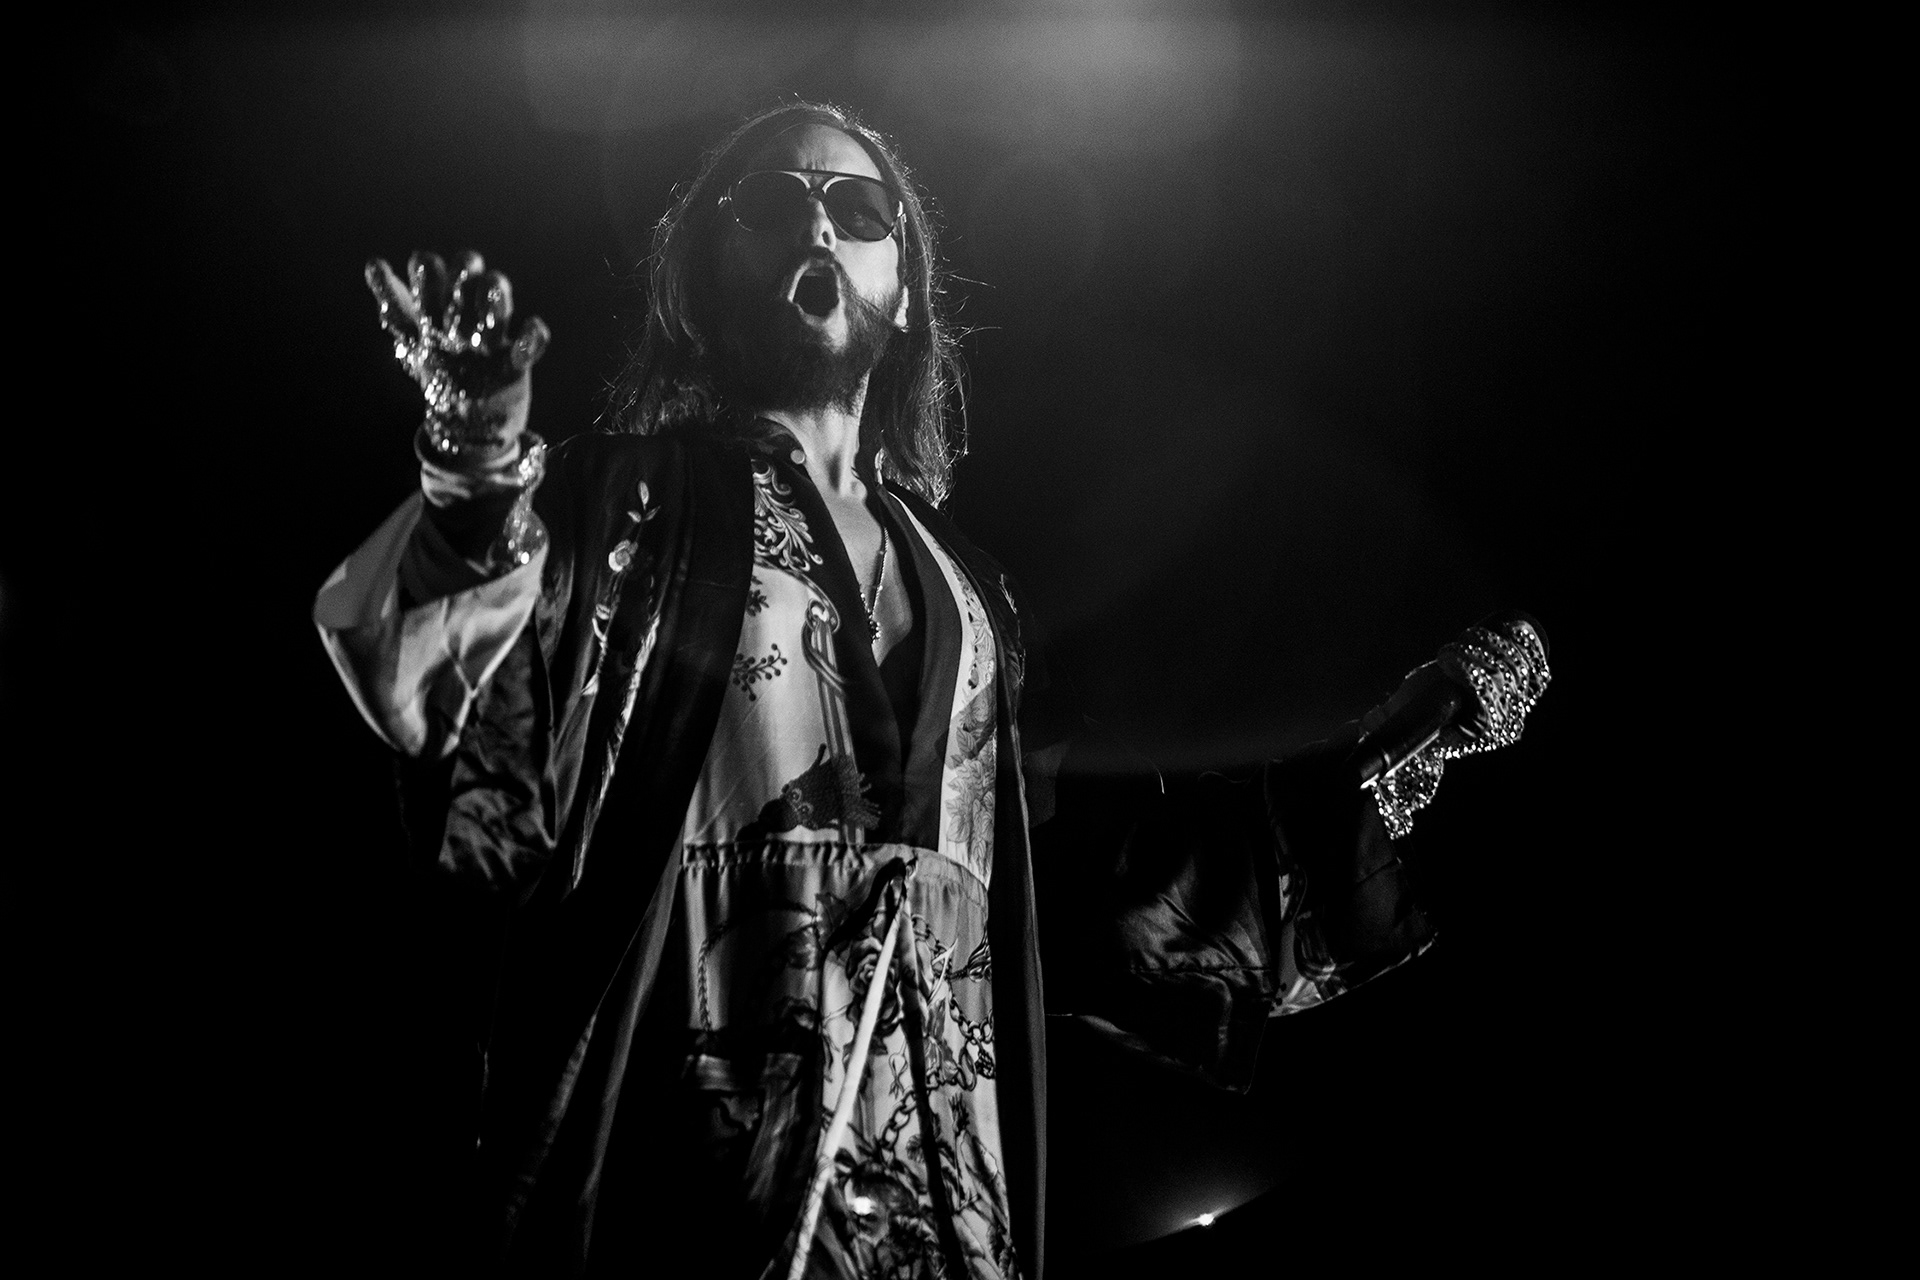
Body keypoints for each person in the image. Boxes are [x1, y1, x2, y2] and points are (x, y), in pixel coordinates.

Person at [315, 101, 1547, 1279]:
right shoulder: (622, 501)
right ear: (697, 282)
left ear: (903, 291)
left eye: (858, 208)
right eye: (770, 201)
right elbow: (455, 698)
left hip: (944, 1201)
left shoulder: (972, 591)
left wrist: (1368, 765)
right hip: (700, 1189)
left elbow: (1080, 872)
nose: (817, 222)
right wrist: (472, 457)